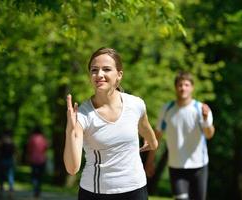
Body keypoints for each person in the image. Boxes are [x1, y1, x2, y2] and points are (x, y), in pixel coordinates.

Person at [64, 47, 158, 200]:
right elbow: (72, 168)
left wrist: (152, 143)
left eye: (106, 69)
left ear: (119, 75)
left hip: (135, 190)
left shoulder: (136, 104)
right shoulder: (83, 115)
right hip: (96, 193)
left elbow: (150, 137)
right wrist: (70, 130)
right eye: (94, 70)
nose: (99, 74)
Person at [145, 71, 215, 200]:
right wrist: (150, 161)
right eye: (180, 85)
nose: (183, 88)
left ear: (192, 87)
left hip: (199, 166)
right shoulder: (167, 109)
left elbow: (209, 134)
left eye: (186, 85)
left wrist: (206, 120)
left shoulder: (201, 109)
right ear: (175, 87)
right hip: (176, 166)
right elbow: (157, 136)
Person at [27, 126, 48, 199]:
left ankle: (35, 190)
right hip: (42, 159)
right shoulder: (43, 138)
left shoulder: (32, 138)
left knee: (34, 176)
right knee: (39, 176)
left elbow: (29, 148)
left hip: (33, 159)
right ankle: (38, 191)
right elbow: (46, 148)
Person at [0, 130, 16, 199]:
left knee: (1, 177)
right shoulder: (12, 142)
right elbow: (14, 153)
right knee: (10, 177)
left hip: (2, 161)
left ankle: (1, 192)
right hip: (9, 161)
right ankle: (10, 193)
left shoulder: (1, 142)